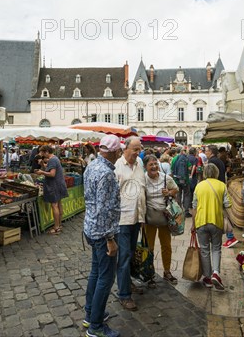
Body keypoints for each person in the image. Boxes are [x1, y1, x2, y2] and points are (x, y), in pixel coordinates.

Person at [83, 135, 123, 337]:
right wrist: (110, 239)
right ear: (114, 152)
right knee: (105, 278)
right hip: (101, 232)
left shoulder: (92, 166)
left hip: (90, 228)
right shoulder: (106, 173)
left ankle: (91, 313)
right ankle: (96, 326)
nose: (120, 154)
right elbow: (105, 209)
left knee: (96, 273)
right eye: (119, 151)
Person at [114, 136, 146, 312]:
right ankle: (124, 295)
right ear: (125, 148)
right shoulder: (117, 167)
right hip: (123, 219)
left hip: (137, 217)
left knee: (131, 254)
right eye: (135, 149)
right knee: (124, 256)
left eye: (139, 149)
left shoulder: (140, 162)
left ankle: (128, 283)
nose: (137, 152)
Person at [191, 163, 230, 291]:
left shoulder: (199, 186)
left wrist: (193, 224)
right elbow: (227, 205)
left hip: (201, 221)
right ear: (217, 172)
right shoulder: (222, 185)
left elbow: (194, 207)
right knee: (216, 248)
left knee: (204, 250)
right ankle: (216, 273)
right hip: (216, 221)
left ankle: (207, 278)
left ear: (205, 173)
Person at [143, 155, 179, 285]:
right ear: (145, 167)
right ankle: (149, 273)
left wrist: (169, 193)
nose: (154, 167)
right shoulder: (143, 179)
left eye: (155, 164)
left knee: (166, 245)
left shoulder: (165, 178)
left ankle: (167, 271)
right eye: (151, 165)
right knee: (149, 247)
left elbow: (176, 189)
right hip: (149, 218)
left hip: (164, 216)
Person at [35, 145, 69, 235]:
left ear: (46, 152)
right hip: (59, 184)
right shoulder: (54, 158)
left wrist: (41, 172)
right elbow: (49, 168)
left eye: (42, 152)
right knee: (59, 204)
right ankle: (59, 224)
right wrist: (42, 165)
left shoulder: (52, 160)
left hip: (54, 186)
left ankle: (56, 227)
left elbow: (52, 174)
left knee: (54, 205)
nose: (40, 154)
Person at [172, 148, 191, 218]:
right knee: (186, 195)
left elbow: (171, 169)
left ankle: (179, 211)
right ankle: (186, 211)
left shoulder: (174, 159)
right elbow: (190, 168)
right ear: (182, 152)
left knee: (178, 195)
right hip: (185, 180)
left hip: (176, 180)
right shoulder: (186, 158)